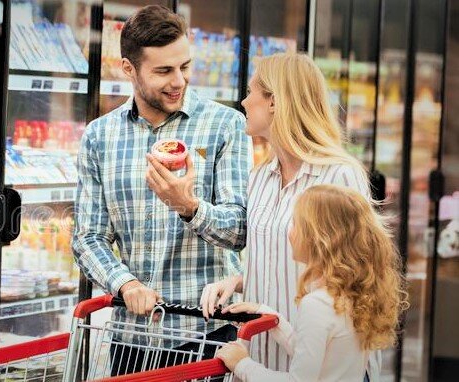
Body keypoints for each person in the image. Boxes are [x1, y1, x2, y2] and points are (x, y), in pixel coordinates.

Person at [72, 4, 250, 375]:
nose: (179, 81)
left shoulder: (226, 126)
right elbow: (88, 237)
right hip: (129, 339)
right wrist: (125, 283)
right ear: (128, 69)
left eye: (184, 66)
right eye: (163, 71)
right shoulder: (99, 136)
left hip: (206, 336)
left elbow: (241, 228)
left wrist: (189, 207)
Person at [199, 53, 378, 377]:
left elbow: (359, 275)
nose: (243, 101)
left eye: (252, 91)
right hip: (261, 357)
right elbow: (278, 254)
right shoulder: (260, 177)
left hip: (319, 364)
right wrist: (239, 280)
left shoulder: (339, 176)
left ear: (274, 102)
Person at [215, 184, 409, 381]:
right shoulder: (351, 294)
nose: (289, 232)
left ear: (320, 238)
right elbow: (320, 357)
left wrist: (241, 363)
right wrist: (273, 318)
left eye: (297, 224)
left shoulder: (318, 304)